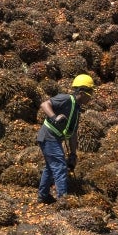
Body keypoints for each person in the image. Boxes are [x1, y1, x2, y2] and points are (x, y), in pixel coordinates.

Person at [36, 74, 94, 205]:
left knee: (51, 168)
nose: (91, 97)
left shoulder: (77, 110)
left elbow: (72, 134)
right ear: (82, 92)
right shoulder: (66, 99)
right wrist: (54, 117)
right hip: (48, 137)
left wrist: (73, 154)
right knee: (60, 167)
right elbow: (44, 104)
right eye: (90, 92)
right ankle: (63, 201)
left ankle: (43, 196)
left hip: (53, 139)